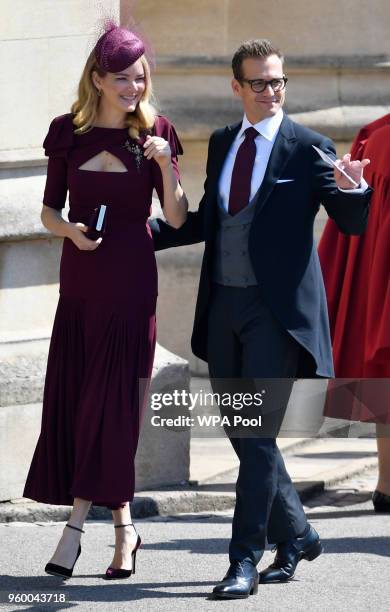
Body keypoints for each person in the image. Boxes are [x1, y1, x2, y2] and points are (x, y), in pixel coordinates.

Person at [149, 38, 371, 599]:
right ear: (237, 88)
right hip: (222, 307)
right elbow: (213, 220)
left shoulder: (309, 147)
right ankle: (297, 534)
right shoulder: (224, 141)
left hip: (276, 316)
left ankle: (243, 561)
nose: (272, 92)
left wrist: (357, 190)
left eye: (278, 82)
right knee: (245, 437)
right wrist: (143, 235)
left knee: (259, 433)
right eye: (260, 83)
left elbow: (350, 224)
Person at [23, 22, 187, 580]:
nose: (133, 87)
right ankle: (125, 530)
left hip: (132, 286)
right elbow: (48, 211)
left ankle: (74, 529)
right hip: (81, 288)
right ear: (96, 78)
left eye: (140, 77)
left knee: (112, 412)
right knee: (83, 407)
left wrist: (165, 163)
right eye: (122, 78)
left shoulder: (156, 133)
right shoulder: (65, 132)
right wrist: (68, 231)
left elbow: (178, 217)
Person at [318, 114, 390, 513]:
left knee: (385, 371)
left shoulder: (374, 138)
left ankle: (386, 483)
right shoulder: (376, 138)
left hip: (378, 270)